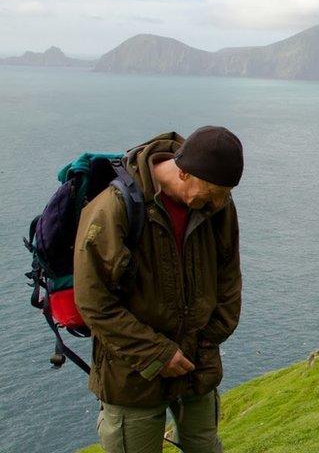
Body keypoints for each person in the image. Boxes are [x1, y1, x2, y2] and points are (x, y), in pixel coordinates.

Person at [74, 126, 244, 453]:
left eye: (226, 193)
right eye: (213, 192)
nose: (220, 202)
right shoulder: (114, 207)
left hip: (197, 363)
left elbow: (229, 276)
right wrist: (158, 354)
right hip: (133, 375)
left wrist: (208, 339)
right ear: (182, 173)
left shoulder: (217, 204)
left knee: (207, 447)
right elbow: (94, 302)